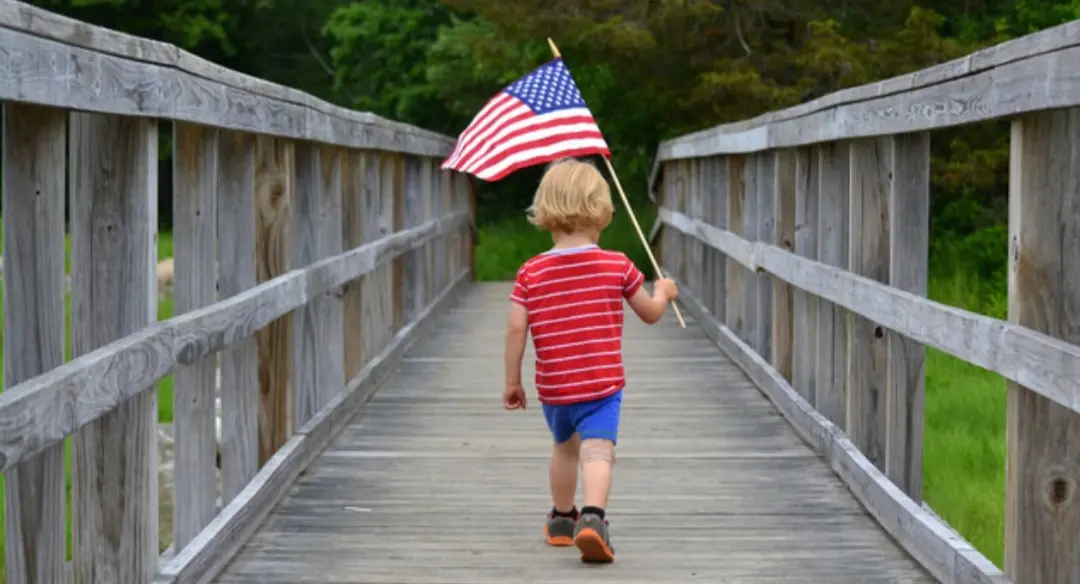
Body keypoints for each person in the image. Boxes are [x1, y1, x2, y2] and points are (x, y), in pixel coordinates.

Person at [502, 158, 679, 563]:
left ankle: (563, 519)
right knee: (597, 451)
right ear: (602, 211)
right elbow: (649, 314)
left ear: (544, 212)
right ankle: (594, 519)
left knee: (564, 450)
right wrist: (664, 293)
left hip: (555, 388)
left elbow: (515, 330)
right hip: (601, 386)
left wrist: (513, 381)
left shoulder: (530, 273)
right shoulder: (617, 265)